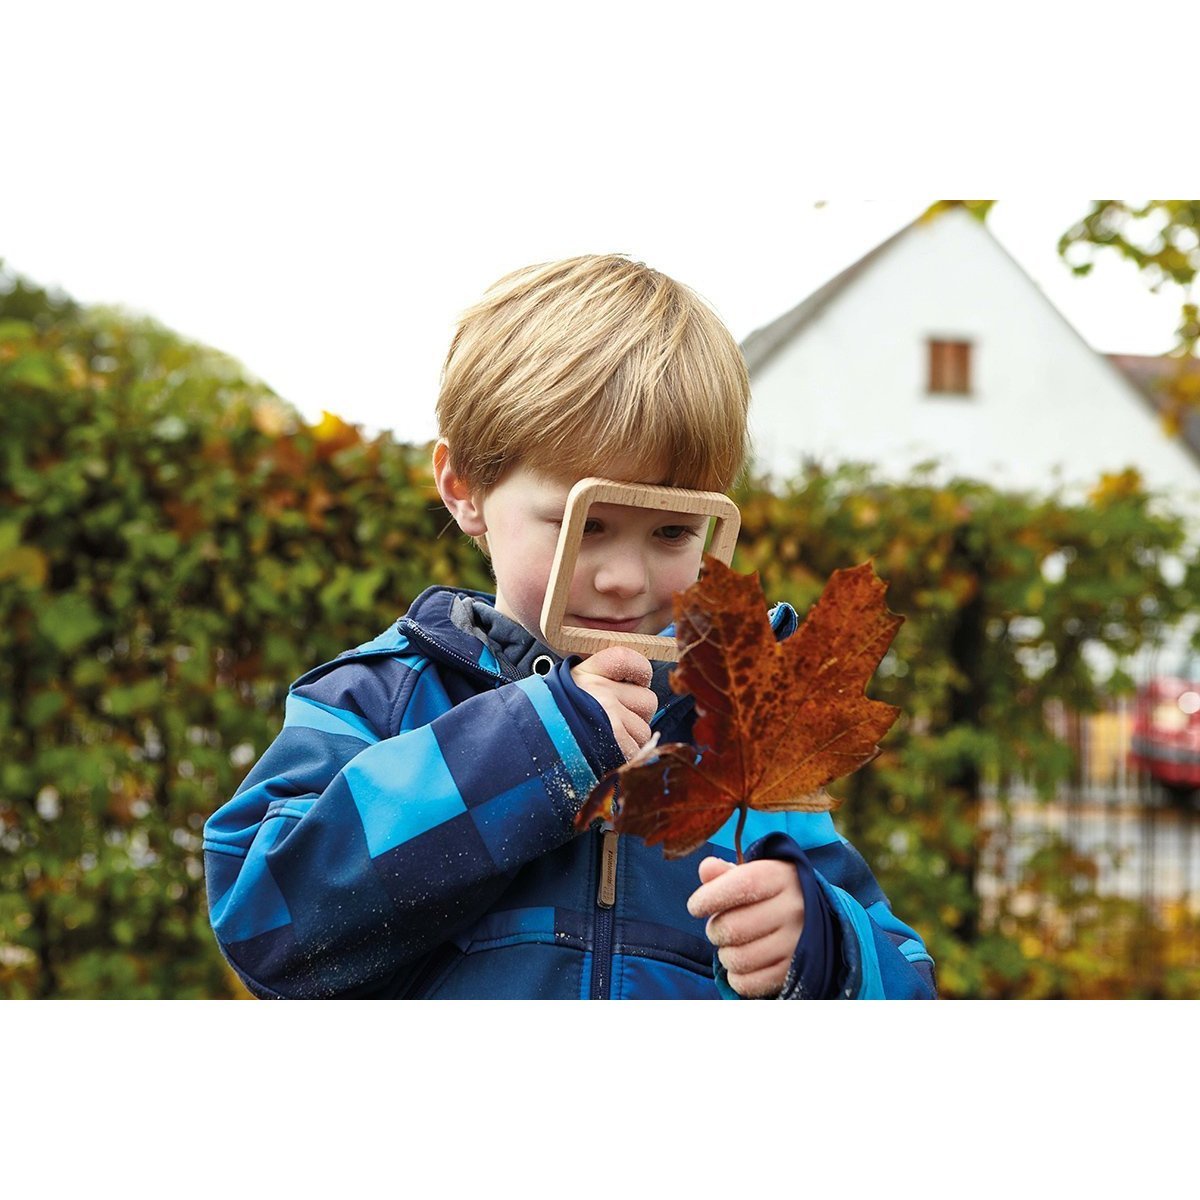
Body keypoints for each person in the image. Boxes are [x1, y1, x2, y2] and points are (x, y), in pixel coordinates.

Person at [202, 254, 937, 1000]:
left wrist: (822, 947)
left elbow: (908, 985)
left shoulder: (743, 736)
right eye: (587, 524)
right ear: (464, 491)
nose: (625, 577)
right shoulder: (382, 701)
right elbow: (266, 924)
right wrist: (539, 743)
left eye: (674, 533)